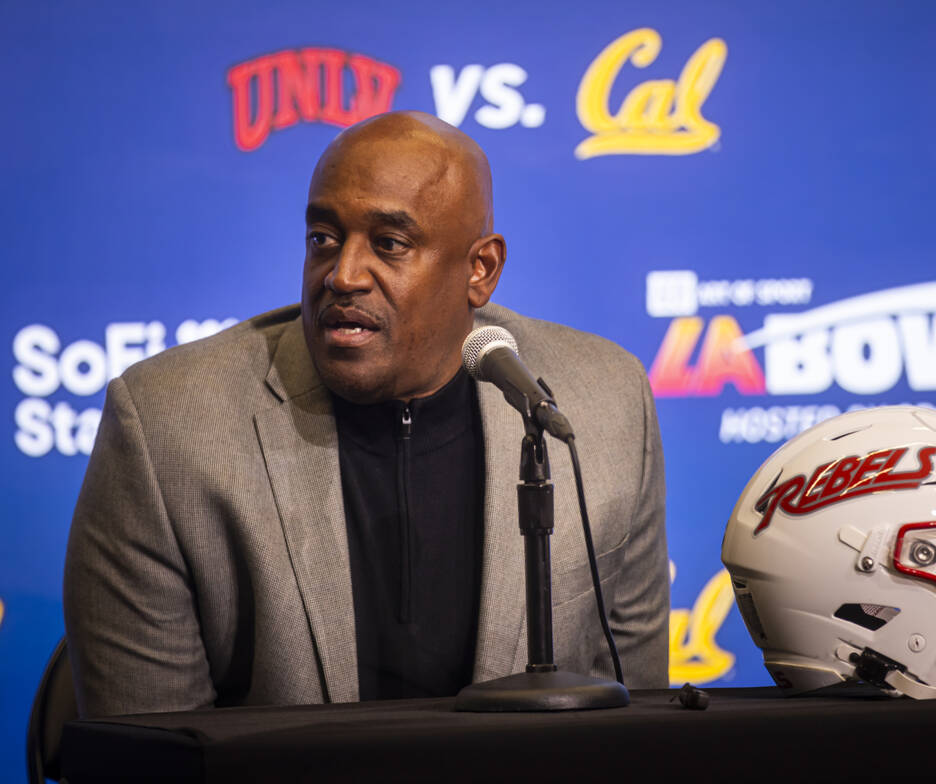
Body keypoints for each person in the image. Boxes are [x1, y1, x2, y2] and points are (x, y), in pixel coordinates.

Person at [63, 111, 669, 717]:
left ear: (479, 270)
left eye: (390, 244)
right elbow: (154, 753)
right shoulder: (167, 424)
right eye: (323, 238)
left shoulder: (603, 402)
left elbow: (635, 726)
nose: (343, 275)